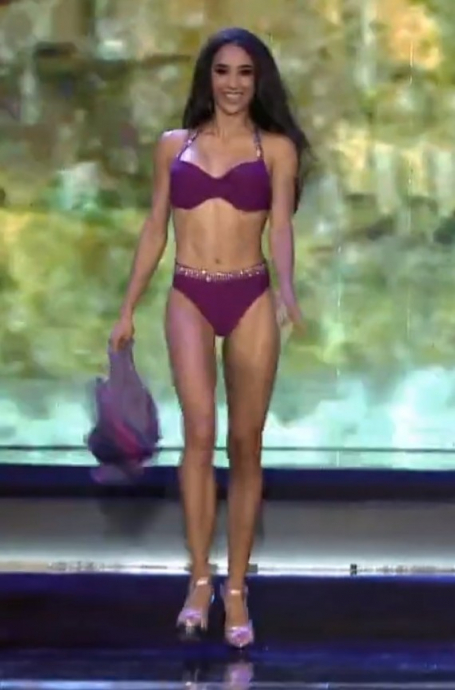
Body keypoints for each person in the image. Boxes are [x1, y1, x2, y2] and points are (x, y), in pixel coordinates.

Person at [110, 26, 312, 648]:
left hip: (249, 293)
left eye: (245, 73)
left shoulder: (277, 149)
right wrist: (127, 307)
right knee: (198, 435)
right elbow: (155, 227)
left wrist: (287, 290)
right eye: (222, 71)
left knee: (245, 443)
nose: (233, 83)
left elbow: (281, 228)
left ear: (259, 80)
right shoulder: (174, 146)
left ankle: (237, 589)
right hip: (189, 294)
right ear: (208, 77)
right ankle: (199, 581)